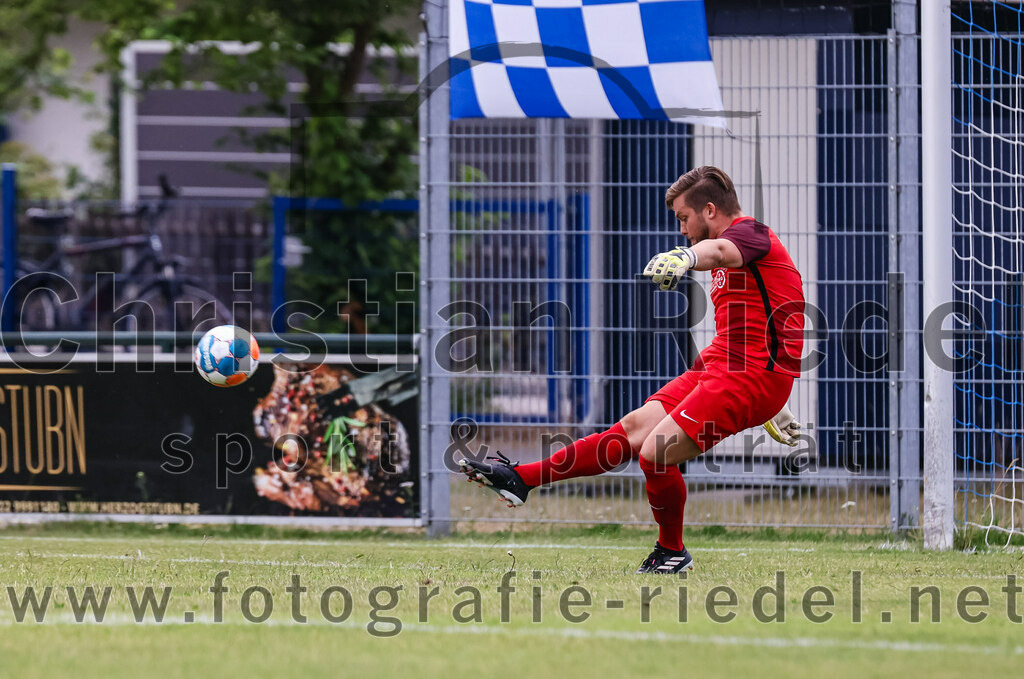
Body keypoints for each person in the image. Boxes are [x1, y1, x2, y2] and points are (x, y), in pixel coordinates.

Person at [459, 166, 805, 574]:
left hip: (751, 378)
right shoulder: (736, 252)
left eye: (683, 218)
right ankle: (523, 479)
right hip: (727, 367)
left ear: (710, 210)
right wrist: (771, 398)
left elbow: (722, 251)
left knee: (656, 452)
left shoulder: (749, 234)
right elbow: (756, 324)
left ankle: (671, 552)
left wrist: (686, 257)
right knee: (634, 428)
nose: (681, 230)